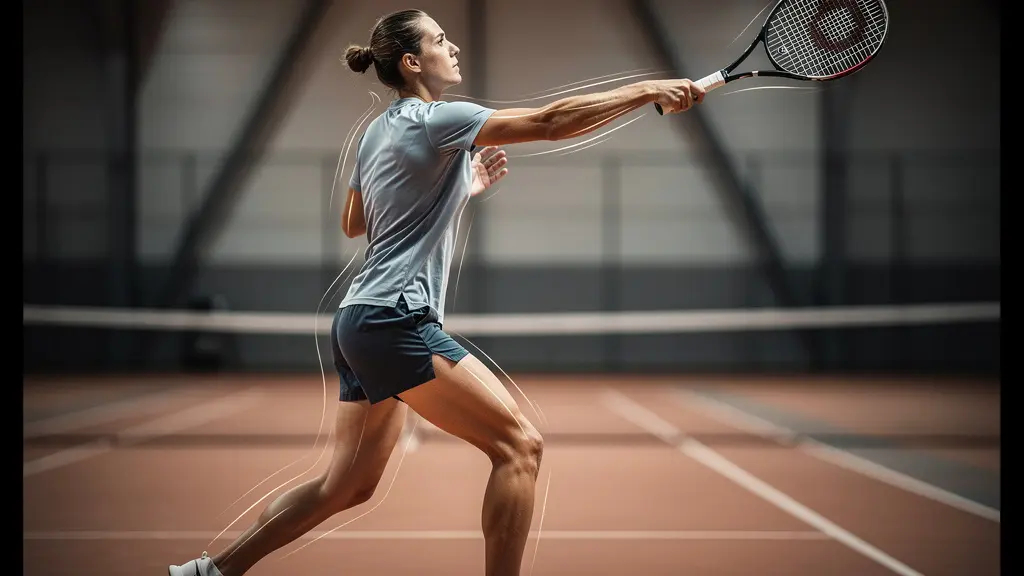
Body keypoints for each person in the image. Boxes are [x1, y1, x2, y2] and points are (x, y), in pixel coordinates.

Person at [169, 8, 703, 576]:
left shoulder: (376, 132)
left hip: (357, 319)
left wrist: (455, 186)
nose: (453, 48)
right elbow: (550, 122)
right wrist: (648, 89)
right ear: (412, 61)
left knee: (344, 486)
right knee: (520, 448)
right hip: (395, 320)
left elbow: (355, 222)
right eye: (440, 40)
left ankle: (212, 571)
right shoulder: (439, 118)